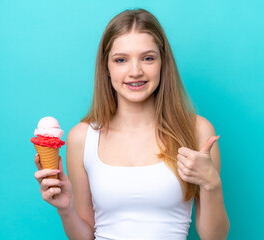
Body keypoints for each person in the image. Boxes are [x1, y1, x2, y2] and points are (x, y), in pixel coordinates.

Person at [34, 8, 230, 240]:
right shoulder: (82, 137)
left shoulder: (197, 132)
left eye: (148, 58)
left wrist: (211, 184)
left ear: (162, 63)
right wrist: (66, 209)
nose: (135, 72)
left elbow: (215, 238)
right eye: (121, 60)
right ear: (106, 68)